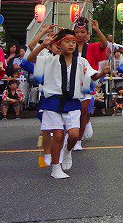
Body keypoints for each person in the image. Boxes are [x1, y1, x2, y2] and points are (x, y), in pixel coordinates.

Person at [28, 28, 110, 178]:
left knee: (73, 135)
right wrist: (42, 45)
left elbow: (91, 76)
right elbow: (30, 59)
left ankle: (67, 151)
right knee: (58, 135)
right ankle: (55, 168)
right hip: (53, 102)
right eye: (67, 41)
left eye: (73, 41)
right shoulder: (49, 60)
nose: (71, 44)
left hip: (72, 102)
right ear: (58, 44)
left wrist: (102, 73)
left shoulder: (81, 61)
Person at [72, 17, 108, 151]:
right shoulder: (70, 46)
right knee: (74, 113)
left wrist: (97, 29)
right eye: (77, 32)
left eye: (82, 32)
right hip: (71, 84)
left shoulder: (92, 47)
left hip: (87, 84)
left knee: (83, 112)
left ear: (87, 34)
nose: (79, 35)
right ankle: (80, 128)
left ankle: (78, 140)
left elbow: (104, 45)